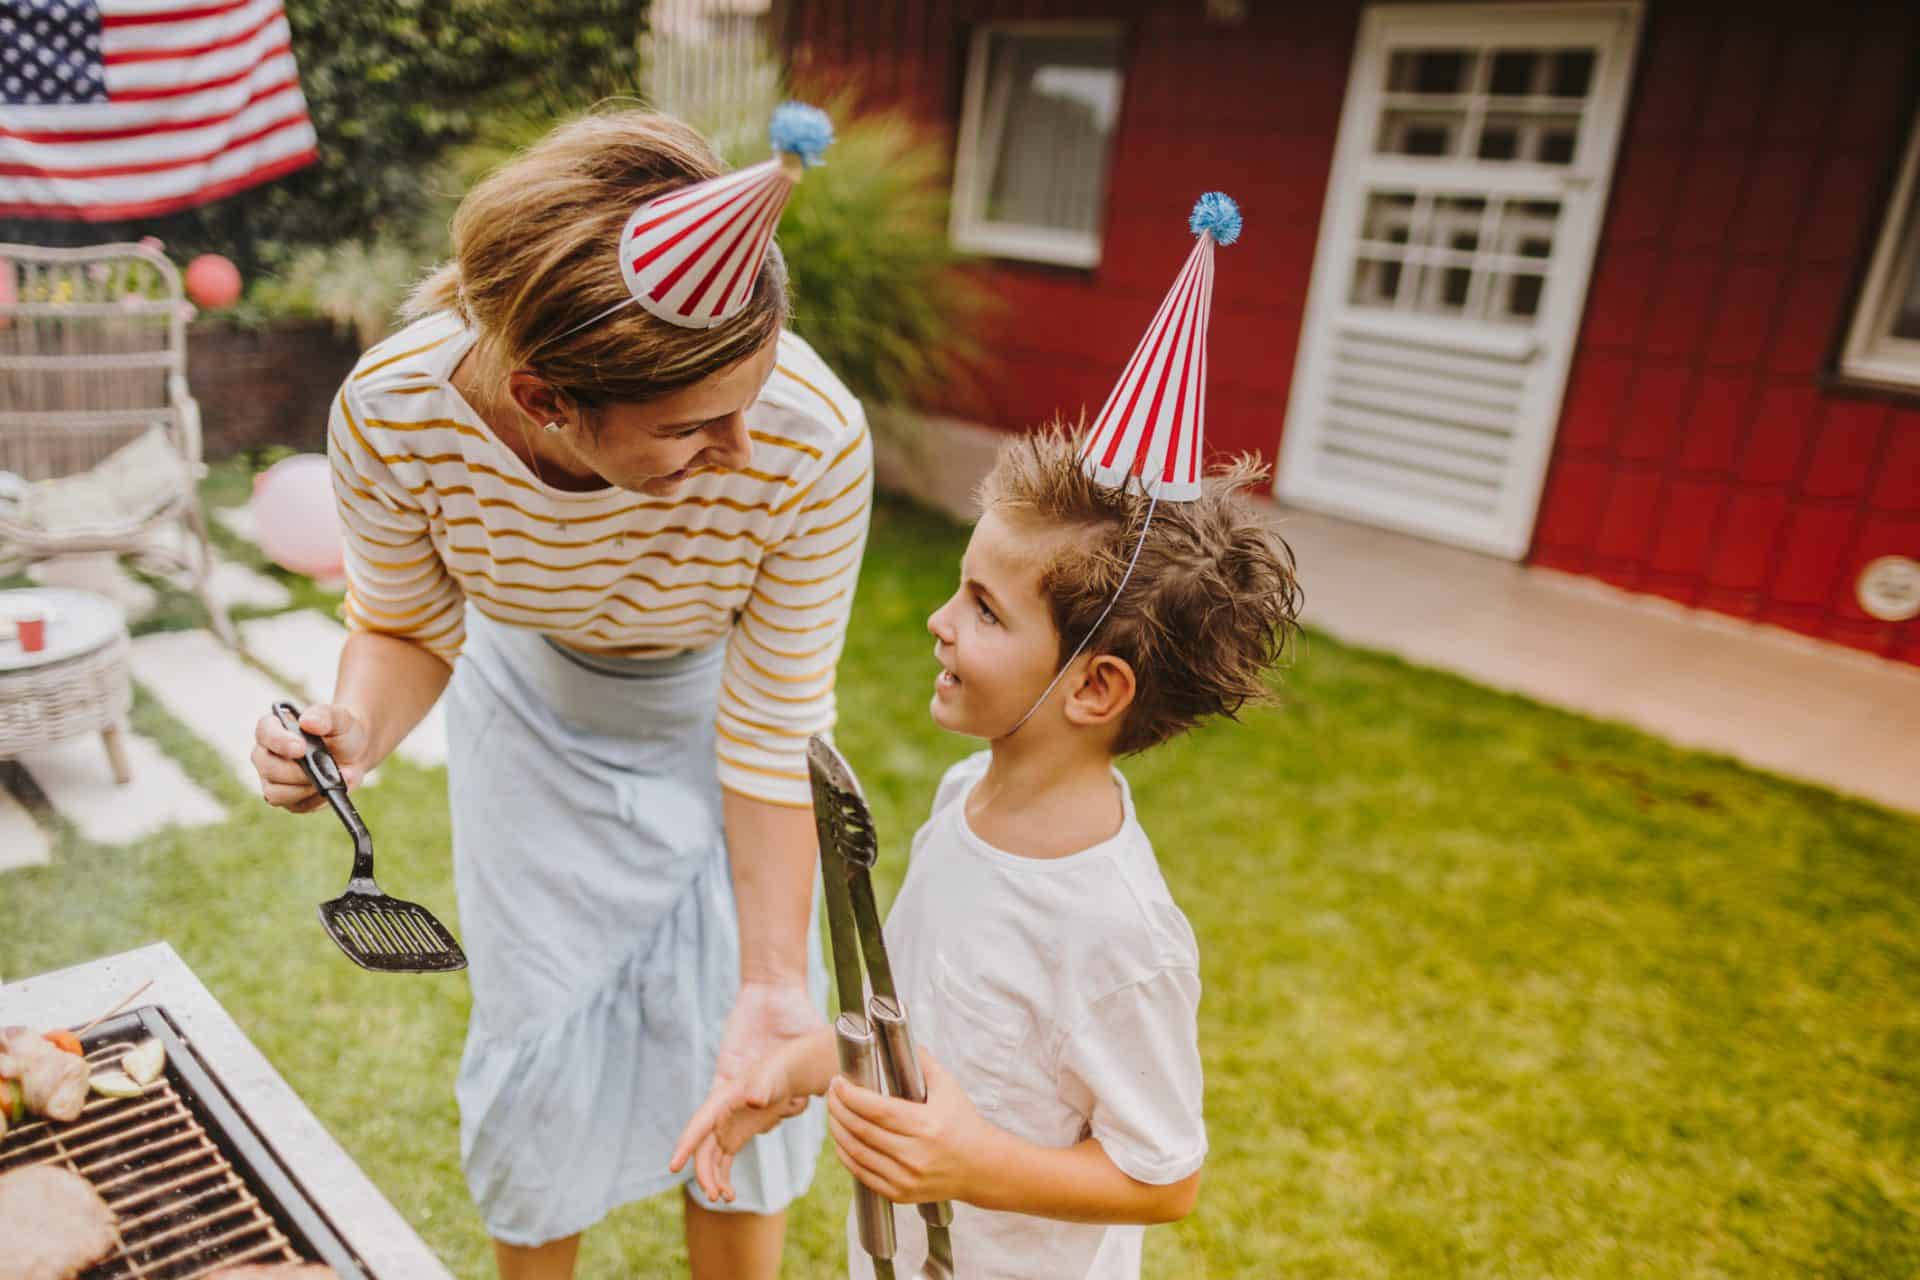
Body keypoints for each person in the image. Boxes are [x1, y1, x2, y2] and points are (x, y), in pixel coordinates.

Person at [248, 105, 871, 1280]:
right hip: (527, 721)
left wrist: (778, 981)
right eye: (696, 428)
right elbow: (405, 623)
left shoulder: (811, 436)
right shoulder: (394, 413)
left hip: (717, 721)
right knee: (535, 1044)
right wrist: (354, 730)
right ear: (544, 402)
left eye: (752, 395)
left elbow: (773, 714)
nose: (745, 446)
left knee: (733, 1035)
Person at [673, 197, 1302, 1278]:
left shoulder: (1120, 932)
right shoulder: (968, 796)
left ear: (1095, 686)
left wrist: (967, 1161)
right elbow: (920, 1008)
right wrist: (804, 1064)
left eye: (984, 608)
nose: (939, 620)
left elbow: (1165, 1176)